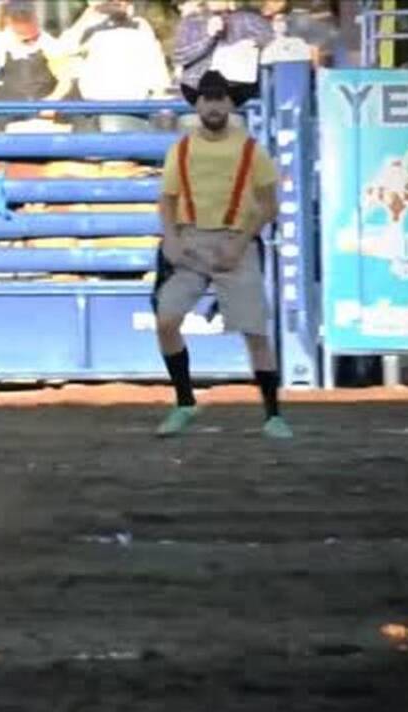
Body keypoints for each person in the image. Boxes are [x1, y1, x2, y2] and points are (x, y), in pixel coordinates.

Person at [153, 70, 288, 439]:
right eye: (207, 97)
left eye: (219, 97)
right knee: (166, 321)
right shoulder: (180, 149)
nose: (213, 104)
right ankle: (185, 401)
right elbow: (167, 200)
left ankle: (273, 415)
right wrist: (171, 239)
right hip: (191, 240)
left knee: (254, 331)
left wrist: (242, 240)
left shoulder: (252, 150)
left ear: (231, 103)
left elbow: (268, 205)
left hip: (235, 241)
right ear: (197, 104)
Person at [59, 1, 172, 132]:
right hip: (92, 109)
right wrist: (91, 12)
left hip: (131, 108)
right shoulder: (91, 26)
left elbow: (157, 69)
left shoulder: (140, 25)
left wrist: (161, 102)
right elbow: (60, 50)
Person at [0, 1, 72, 130]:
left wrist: (53, 101)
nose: (28, 42)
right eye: (23, 38)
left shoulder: (49, 44)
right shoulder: (0, 42)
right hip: (9, 105)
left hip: (41, 104)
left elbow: (66, 79)